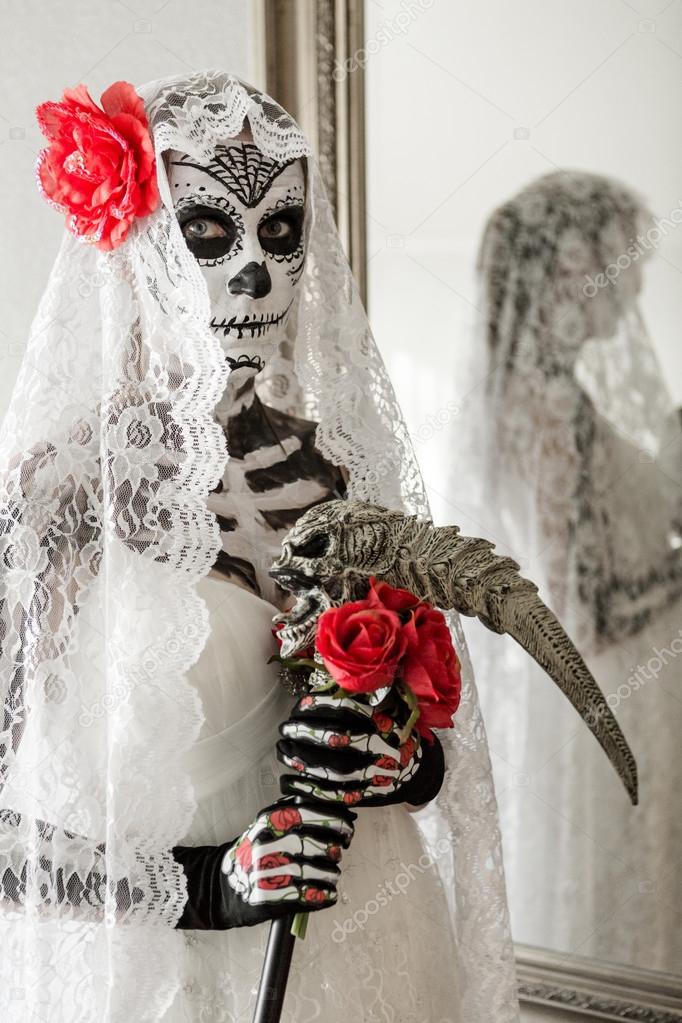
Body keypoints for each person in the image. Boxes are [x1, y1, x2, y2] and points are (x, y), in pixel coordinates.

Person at [0, 70, 518, 1020]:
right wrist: (208, 887)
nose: (255, 272)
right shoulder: (64, 495)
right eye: (208, 233)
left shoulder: (334, 472)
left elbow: (428, 741)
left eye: (280, 232)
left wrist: (399, 760)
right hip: (164, 981)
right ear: (143, 241)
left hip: (369, 953)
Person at [457, 169, 682, 971]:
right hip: (617, 685)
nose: (633, 290)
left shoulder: (541, 395)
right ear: (568, 273)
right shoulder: (549, 406)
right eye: (623, 264)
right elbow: (582, 606)